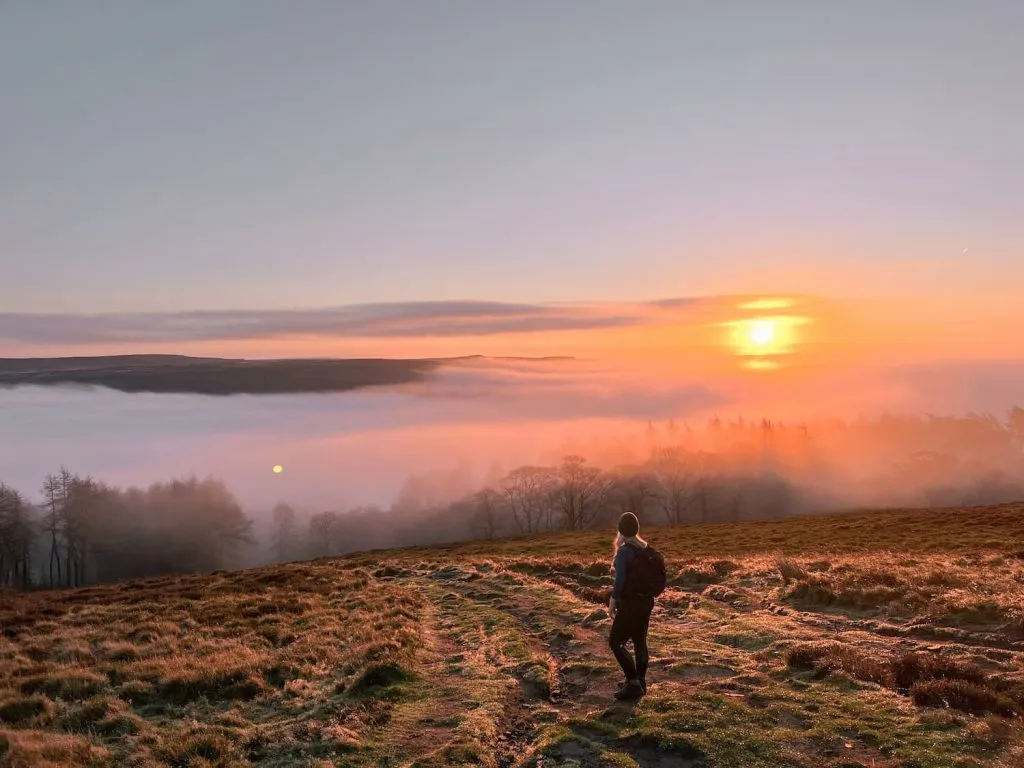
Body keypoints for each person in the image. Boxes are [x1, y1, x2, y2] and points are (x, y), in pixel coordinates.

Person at [608, 511, 657, 700]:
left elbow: (620, 581)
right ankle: (640, 682)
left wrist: (613, 599)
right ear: (637, 528)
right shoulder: (645, 548)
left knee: (615, 642)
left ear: (620, 529)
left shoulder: (624, 551)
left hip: (631, 603)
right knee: (639, 641)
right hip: (646, 601)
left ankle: (633, 682)